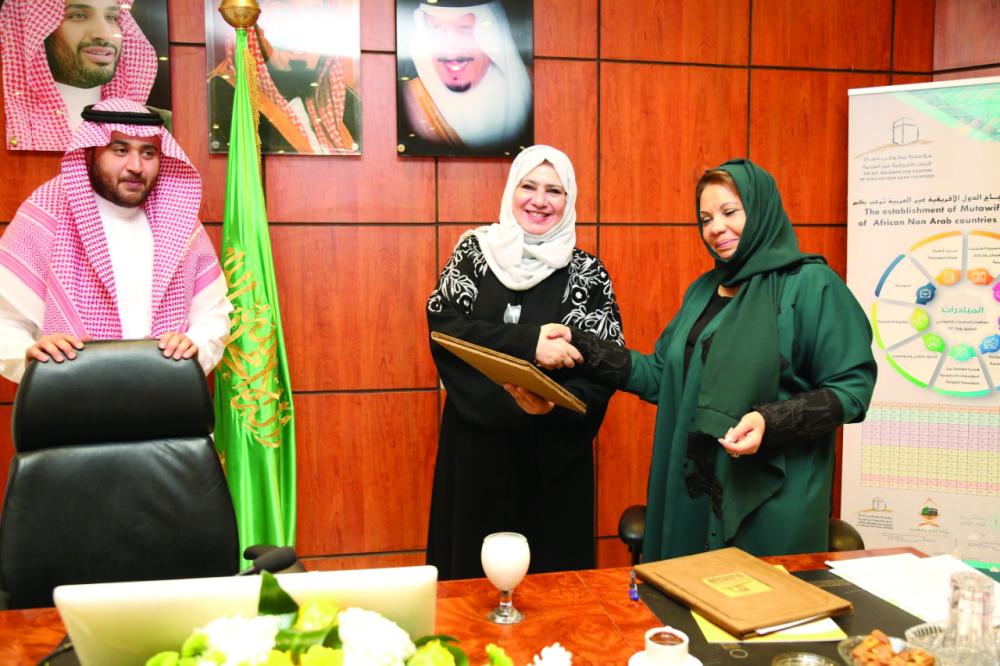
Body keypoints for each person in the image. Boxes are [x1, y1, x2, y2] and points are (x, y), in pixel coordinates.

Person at [552, 159, 877, 560]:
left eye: (729, 212)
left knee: (763, 597)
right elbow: (661, 376)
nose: (716, 228)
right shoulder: (704, 290)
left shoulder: (811, 285)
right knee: (687, 595)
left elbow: (852, 389)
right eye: (705, 219)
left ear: (760, 210)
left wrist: (769, 421)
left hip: (774, 497)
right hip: (695, 491)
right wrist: (582, 346)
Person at [425, 145, 624, 580]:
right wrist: (529, 343)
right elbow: (444, 328)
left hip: (552, 460)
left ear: (569, 200)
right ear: (511, 191)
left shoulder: (588, 274)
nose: (539, 200)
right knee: (469, 589)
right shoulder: (474, 255)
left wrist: (550, 406)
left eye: (554, 191)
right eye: (528, 186)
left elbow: (605, 366)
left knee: (552, 592)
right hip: (475, 454)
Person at [0, 98, 232, 384]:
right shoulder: (45, 217)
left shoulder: (179, 220)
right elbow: (5, 320)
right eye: (120, 150)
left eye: (148, 153)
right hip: (69, 397)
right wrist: (27, 353)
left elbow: (214, 314)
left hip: (163, 395)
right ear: (90, 153)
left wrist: (194, 345)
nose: (136, 166)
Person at [0, 0, 161, 151]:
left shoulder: (160, 122)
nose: (105, 34)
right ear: (38, 30)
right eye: (79, 16)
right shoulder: (12, 121)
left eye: (112, 18)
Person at [208, 0, 360, 154]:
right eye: (284, 13)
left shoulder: (347, 103)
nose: (300, 32)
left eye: (314, 15)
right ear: (255, 29)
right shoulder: (223, 98)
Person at [399, 0, 531, 154]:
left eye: (464, 31)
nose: (451, 51)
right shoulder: (408, 101)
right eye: (437, 31)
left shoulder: (534, 89)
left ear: (491, 35)